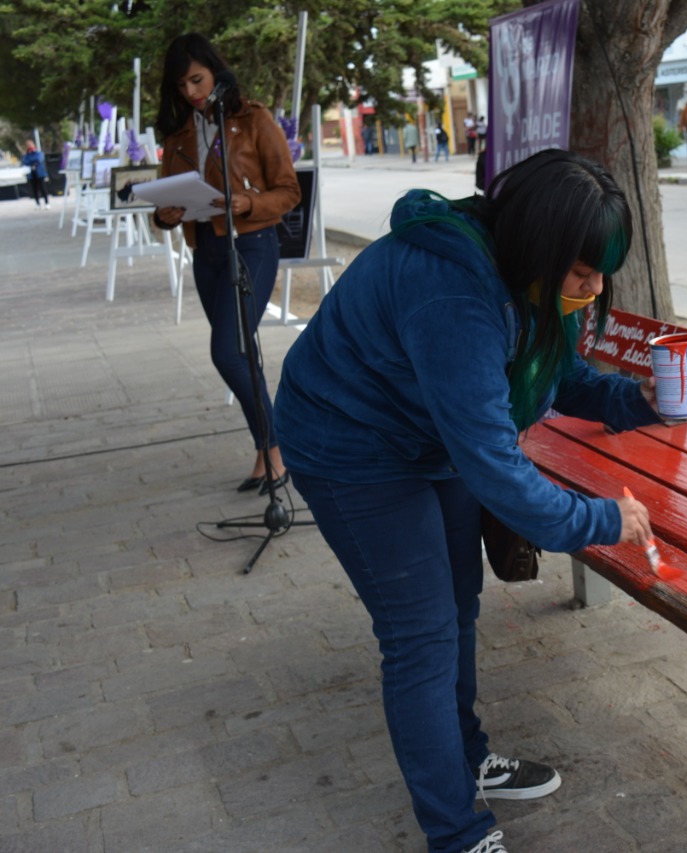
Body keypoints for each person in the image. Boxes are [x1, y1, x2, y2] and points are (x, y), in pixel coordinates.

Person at [273, 149, 661, 853]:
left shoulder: (530, 280)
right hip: (350, 444)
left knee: (458, 602)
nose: (594, 286)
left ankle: (466, 755)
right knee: (420, 634)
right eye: (582, 272)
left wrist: (637, 398)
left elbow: (558, 375)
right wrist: (601, 519)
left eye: (602, 270)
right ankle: (455, 833)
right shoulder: (453, 293)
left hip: (428, 434)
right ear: (540, 248)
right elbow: (497, 471)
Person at [152, 32, 301, 494]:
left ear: (215, 70)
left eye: (197, 79)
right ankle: (265, 452)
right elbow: (164, 203)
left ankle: (277, 448)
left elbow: (288, 191)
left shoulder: (253, 119)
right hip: (207, 252)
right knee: (243, 353)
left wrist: (247, 204)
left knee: (227, 351)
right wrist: (165, 213)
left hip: (252, 245)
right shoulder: (178, 135)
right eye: (182, 86)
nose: (192, 92)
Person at [22, 141, 51, 210]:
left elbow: (39, 159)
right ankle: (38, 204)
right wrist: (32, 163)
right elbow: (25, 161)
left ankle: (47, 203)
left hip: (40, 174)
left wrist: (34, 163)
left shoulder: (38, 153)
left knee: (43, 188)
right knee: (34, 190)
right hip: (31, 175)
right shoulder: (26, 155)